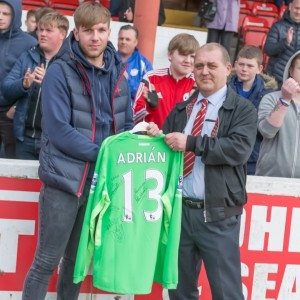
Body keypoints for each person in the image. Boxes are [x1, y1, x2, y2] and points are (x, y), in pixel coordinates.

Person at [22, 3, 133, 299]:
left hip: (100, 186)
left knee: (74, 266)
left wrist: (140, 137)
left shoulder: (119, 72)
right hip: (64, 182)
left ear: (109, 32)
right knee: (45, 262)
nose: (95, 37)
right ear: (77, 33)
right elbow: (58, 130)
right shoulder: (60, 70)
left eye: (100, 31)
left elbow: (126, 123)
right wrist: (107, 154)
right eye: (88, 31)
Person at [163, 43, 257, 299]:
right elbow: (166, 147)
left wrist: (191, 143)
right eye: (199, 66)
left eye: (212, 66)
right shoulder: (183, 108)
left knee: (226, 292)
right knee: (179, 290)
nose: (205, 71)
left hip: (217, 215)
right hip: (181, 213)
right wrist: (156, 137)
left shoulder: (243, 109)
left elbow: (238, 150)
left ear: (228, 69)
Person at [2, 12, 69, 160]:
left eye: (48, 30)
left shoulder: (70, 63)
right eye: (40, 29)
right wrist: (23, 84)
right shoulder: (27, 56)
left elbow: (74, 100)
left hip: (52, 143)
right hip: (24, 139)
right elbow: (6, 89)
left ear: (62, 34)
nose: (42, 34)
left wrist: (49, 82)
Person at [229, 45, 278, 174]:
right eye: (241, 64)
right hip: (227, 152)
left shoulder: (269, 95)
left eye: (250, 66)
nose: (244, 69)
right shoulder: (223, 88)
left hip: (253, 156)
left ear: (259, 69)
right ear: (235, 64)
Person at [133, 33, 199, 129]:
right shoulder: (152, 78)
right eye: (183, 54)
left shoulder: (198, 84)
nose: (188, 60)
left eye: (192, 56)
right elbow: (134, 117)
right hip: (153, 140)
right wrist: (149, 108)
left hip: (182, 142)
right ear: (169, 55)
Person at [0, 0, 37, 158]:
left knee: (11, 163)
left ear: (15, 16)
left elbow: (34, 81)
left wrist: (16, 107)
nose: (0, 17)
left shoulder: (29, 43)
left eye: (5, 14)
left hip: (10, 114)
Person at [256, 50, 300, 177]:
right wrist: (285, 100)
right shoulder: (271, 98)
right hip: (271, 179)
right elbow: (267, 131)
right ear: (291, 71)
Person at [264, 0, 300, 87]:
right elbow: (268, 50)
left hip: (296, 82)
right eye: (296, 8)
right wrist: (285, 42)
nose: (298, 12)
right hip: (276, 79)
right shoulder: (278, 26)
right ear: (290, 7)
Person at [117, 24, 152, 102]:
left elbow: (148, 95)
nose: (123, 42)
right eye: (121, 38)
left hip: (133, 112)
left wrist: (126, 81)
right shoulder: (108, 60)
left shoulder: (145, 64)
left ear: (135, 42)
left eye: (127, 39)